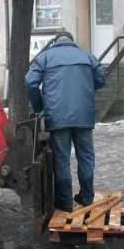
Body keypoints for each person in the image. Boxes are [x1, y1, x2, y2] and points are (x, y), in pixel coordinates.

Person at [25, 31, 106, 212]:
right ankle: (86, 196)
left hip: (57, 117)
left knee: (61, 159)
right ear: (71, 41)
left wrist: (39, 109)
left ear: (55, 42)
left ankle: (65, 201)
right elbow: (101, 80)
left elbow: (30, 83)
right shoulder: (88, 57)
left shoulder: (45, 57)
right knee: (86, 157)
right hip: (84, 116)